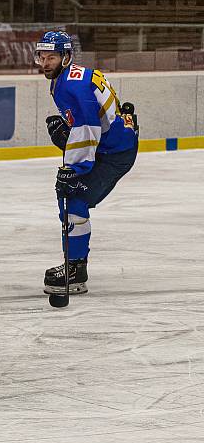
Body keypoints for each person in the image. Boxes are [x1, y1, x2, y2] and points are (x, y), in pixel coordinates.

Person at [35, 31, 138, 295]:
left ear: (66, 57)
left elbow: (88, 126)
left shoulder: (71, 86)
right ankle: (75, 264)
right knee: (70, 195)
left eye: (52, 57)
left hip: (115, 153)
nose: (46, 63)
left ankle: (76, 270)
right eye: (42, 57)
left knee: (71, 196)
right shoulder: (71, 77)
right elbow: (91, 119)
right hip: (113, 144)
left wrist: (75, 167)